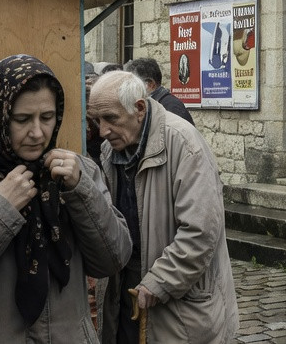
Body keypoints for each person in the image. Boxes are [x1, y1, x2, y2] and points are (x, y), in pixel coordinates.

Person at [0, 54, 130, 343]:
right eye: (22, 119)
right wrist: (0, 210)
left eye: (47, 117)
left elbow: (113, 259)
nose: (37, 132)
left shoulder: (79, 172)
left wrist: (81, 191)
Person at [89, 71, 237, 344]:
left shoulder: (183, 142)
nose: (102, 131)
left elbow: (201, 230)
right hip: (126, 287)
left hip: (179, 301)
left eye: (110, 118)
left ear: (140, 109)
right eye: (96, 120)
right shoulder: (112, 149)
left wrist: (160, 281)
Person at [122, 57, 195, 125]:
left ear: (149, 84)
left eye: (131, 83)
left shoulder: (171, 107)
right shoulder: (147, 105)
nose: (127, 89)